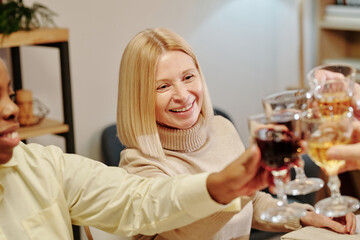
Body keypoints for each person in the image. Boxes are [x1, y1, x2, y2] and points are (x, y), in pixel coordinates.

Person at [117, 27, 356, 240]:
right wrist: (237, 188)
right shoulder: (139, 165)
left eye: (188, 77)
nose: (182, 94)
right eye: (163, 86)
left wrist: (305, 216)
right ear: (139, 97)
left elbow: (250, 203)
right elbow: (185, 232)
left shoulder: (221, 128)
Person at [0, 57, 273, 239]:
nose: (12, 109)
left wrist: (227, 187)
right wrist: (232, 189)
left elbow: (141, 200)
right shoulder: (139, 161)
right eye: (163, 85)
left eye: (11, 95)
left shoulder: (46, 166)